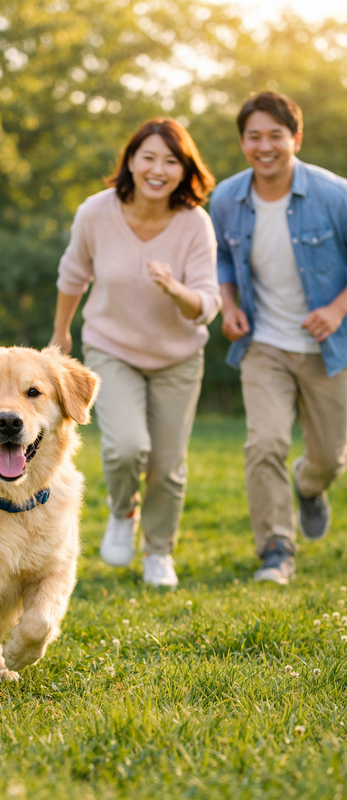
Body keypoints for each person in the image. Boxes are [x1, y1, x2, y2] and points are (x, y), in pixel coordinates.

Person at [50, 118, 221, 587]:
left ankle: (159, 552)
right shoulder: (96, 212)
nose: (158, 169)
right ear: (130, 160)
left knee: (167, 465)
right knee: (126, 446)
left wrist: (174, 288)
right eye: (148, 157)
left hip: (178, 359)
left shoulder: (194, 224)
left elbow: (207, 305)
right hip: (112, 349)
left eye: (171, 160)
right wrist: (61, 333)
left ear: (185, 170)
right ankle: (123, 511)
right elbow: (73, 275)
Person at [210, 91, 347, 585]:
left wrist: (335, 309)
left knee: (331, 457)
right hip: (264, 344)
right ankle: (275, 549)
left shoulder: (334, 194)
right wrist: (229, 305)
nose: (264, 146)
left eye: (275, 135)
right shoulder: (226, 198)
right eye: (254, 136)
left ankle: (309, 484)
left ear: (296, 138)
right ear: (243, 142)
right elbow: (221, 258)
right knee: (263, 441)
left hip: (329, 347)